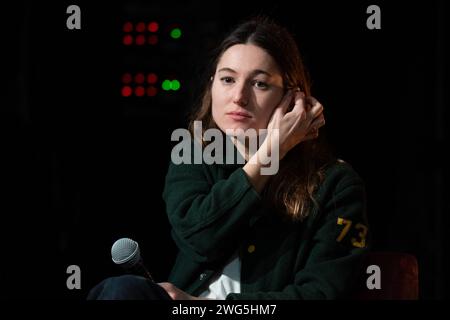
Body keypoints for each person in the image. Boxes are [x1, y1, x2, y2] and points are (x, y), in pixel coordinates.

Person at [88, 15, 370, 300]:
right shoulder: (193, 154)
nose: (239, 96)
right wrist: (267, 157)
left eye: (260, 84)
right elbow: (200, 239)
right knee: (121, 290)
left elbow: (322, 294)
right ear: (212, 86)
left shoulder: (336, 184)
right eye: (227, 79)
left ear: (292, 100)